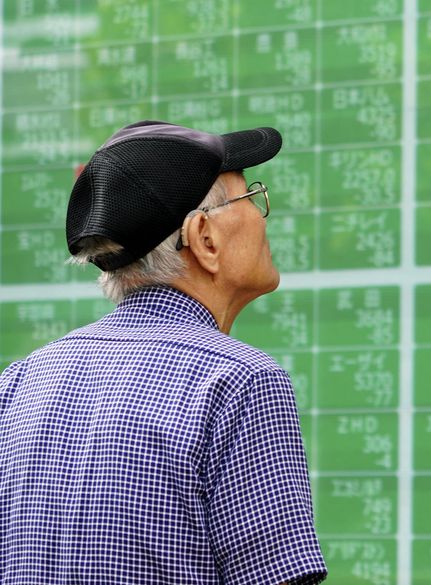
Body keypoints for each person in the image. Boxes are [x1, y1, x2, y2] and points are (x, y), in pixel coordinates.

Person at [0, 121, 327, 584]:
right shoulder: (239, 381)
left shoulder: (19, 382)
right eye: (249, 197)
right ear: (204, 238)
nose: (261, 213)